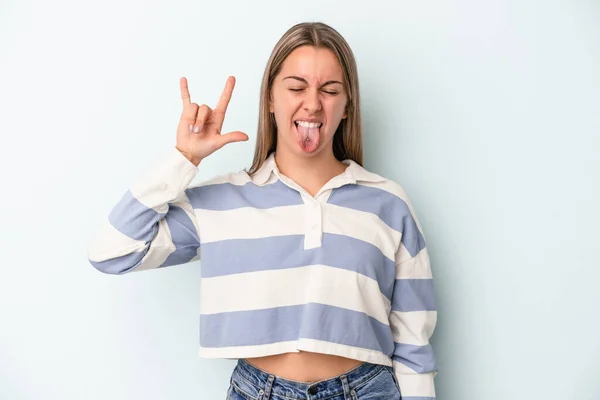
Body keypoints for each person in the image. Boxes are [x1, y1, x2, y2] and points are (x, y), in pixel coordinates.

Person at [88, 22, 438, 400]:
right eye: (296, 87)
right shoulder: (221, 202)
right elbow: (112, 251)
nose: (313, 103)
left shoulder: (388, 203)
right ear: (270, 98)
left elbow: (413, 343)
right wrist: (184, 159)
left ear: (347, 105)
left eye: (330, 90)